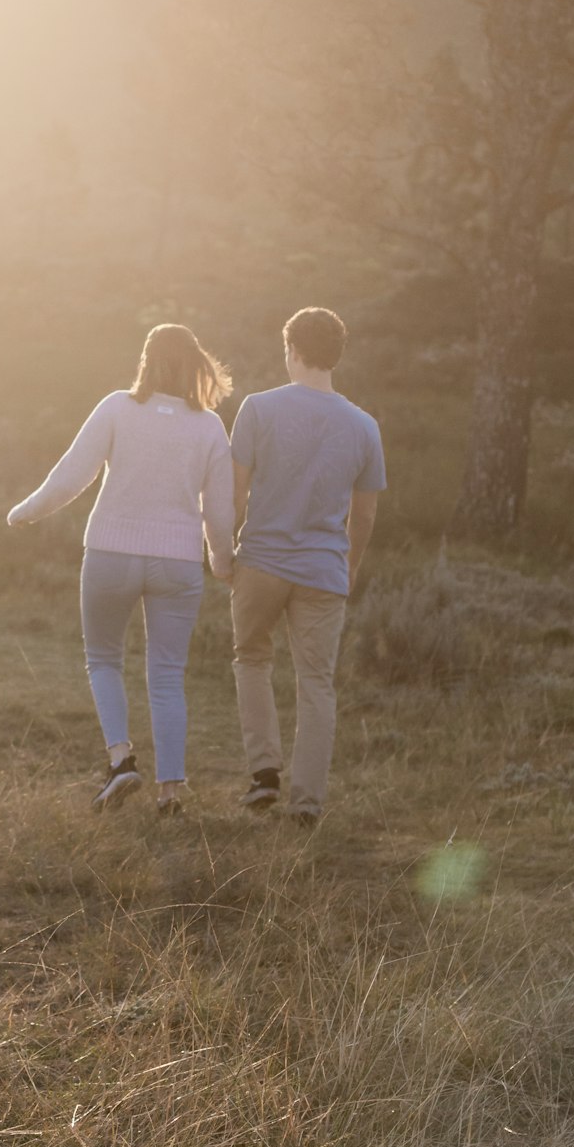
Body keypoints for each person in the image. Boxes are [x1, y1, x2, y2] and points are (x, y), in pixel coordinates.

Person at [7, 324, 234, 815]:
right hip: (177, 562)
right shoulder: (210, 426)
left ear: (146, 361)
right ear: (196, 364)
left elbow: (72, 475)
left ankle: (120, 761)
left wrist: (24, 511)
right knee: (168, 674)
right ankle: (170, 794)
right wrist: (221, 558)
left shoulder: (117, 407)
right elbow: (219, 509)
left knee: (104, 659)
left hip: (111, 550)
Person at [229, 306, 386, 825]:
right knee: (316, 683)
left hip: (261, 562)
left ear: (292, 350)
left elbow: (237, 488)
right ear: (336, 355)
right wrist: (350, 566)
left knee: (252, 658)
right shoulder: (364, 425)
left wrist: (224, 546)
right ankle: (307, 804)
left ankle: (264, 773)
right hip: (324, 570)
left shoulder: (257, 408)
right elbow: (364, 515)